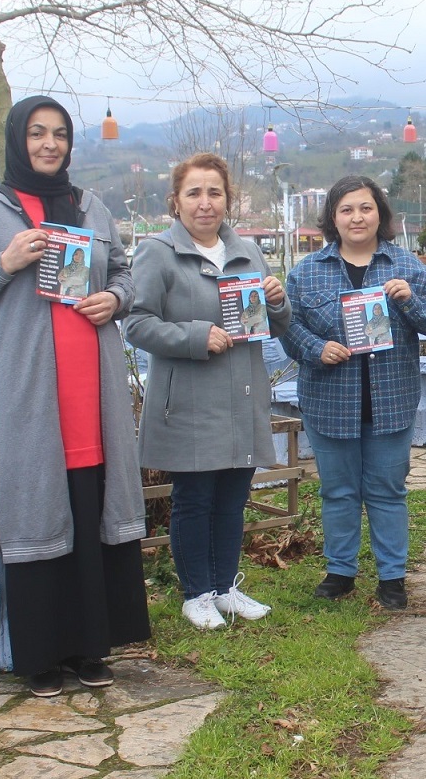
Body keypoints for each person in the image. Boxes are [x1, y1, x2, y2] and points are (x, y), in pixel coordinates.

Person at [0, 95, 150, 697]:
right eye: (37, 133)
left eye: (58, 134)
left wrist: (117, 299)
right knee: (39, 509)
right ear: (16, 140)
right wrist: (3, 263)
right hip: (31, 398)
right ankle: (41, 656)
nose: (49, 144)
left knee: (90, 508)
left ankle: (90, 647)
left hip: (93, 393)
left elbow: (125, 272)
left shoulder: (92, 207)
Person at [125, 152, 291, 630]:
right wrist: (195, 337)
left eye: (214, 192)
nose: (205, 203)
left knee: (232, 497)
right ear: (175, 202)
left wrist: (277, 303)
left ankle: (225, 588)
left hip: (241, 394)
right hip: (190, 399)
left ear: (228, 200)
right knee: (194, 498)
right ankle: (195, 593)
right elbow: (136, 323)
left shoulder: (247, 252)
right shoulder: (158, 253)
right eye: (194, 193)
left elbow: (275, 326)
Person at [280, 176, 426, 610]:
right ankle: (340, 571)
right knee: (338, 491)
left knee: (388, 489)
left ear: (380, 214)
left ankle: (392, 577)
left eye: (366, 208)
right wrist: (317, 349)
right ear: (333, 218)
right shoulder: (306, 272)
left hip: (391, 398)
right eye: (347, 209)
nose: (357, 217)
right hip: (330, 399)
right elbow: (288, 327)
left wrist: (409, 300)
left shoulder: (406, 266)